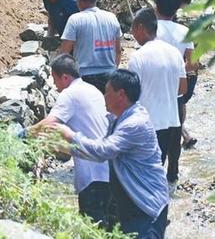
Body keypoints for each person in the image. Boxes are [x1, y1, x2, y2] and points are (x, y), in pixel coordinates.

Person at [50, 69, 170, 238]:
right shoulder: (118, 119)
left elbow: (103, 151)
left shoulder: (134, 124)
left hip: (146, 206)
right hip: (132, 205)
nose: (104, 96)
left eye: (107, 92)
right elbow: (100, 152)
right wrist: (66, 148)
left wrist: (70, 136)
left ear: (121, 95)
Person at [28, 55, 110, 225]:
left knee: (93, 228)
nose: (55, 85)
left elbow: (50, 124)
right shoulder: (92, 90)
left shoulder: (70, 94)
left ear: (65, 77)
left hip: (93, 175)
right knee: (110, 228)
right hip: (110, 170)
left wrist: (24, 133)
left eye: (55, 79)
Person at [128, 8, 186, 196]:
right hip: (170, 122)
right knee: (158, 168)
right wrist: (165, 92)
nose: (132, 34)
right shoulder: (174, 53)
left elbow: (131, 96)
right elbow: (182, 89)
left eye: (132, 29)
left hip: (148, 124)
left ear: (141, 27)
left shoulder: (138, 57)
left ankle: (153, 212)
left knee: (144, 174)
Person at [155, 0, 199, 150]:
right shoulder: (184, 31)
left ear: (156, 7)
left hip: (156, 82)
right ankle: (173, 171)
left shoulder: (151, 30)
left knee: (156, 123)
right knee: (177, 115)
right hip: (179, 83)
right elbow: (193, 63)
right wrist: (179, 73)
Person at [60, 0, 122, 94]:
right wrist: (114, 71)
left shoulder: (75, 19)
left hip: (85, 77)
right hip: (110, 75)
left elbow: (64, 53)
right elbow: (118, 51)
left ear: (78, 0)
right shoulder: (112, 17)